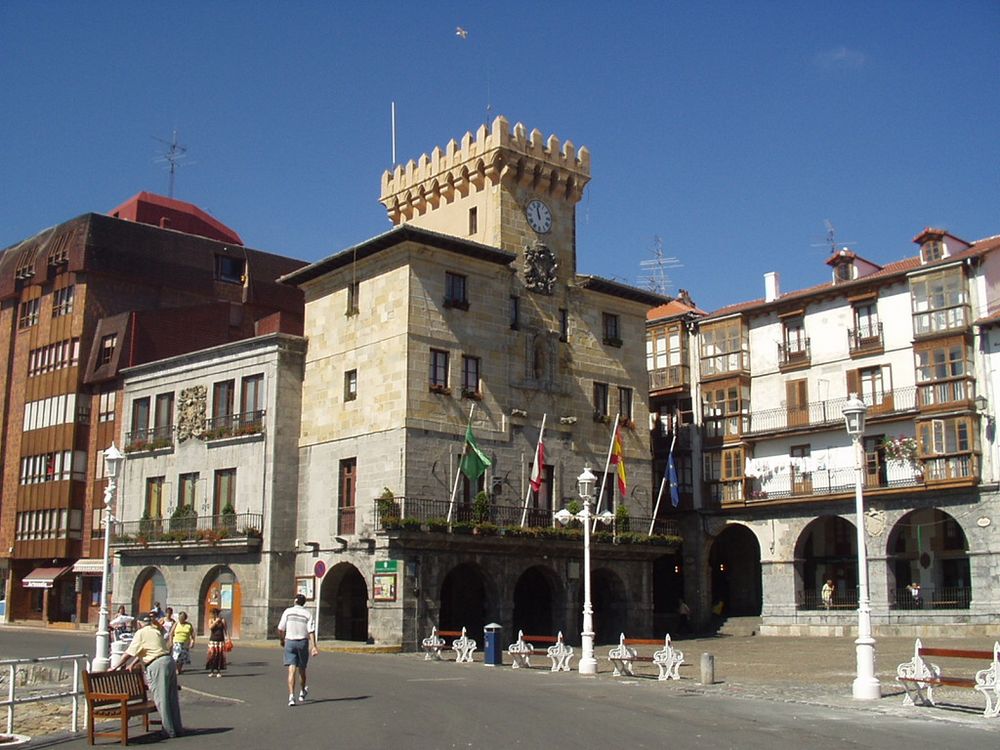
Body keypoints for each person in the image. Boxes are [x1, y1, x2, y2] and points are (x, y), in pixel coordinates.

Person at [115, 613, 183, 738]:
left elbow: (128, 653)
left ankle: (169, 730)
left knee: (161, 697)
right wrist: (133, 663)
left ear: (139, 623)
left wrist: (115, 666)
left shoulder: (140, 633)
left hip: (157, 664)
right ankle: (177, 727)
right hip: (168, 661)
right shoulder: (155, 631)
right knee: (171, 696)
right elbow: (146, 649)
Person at [277, 594, 319, 707]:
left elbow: (280, 628)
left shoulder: (288, 612)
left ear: (295, 601)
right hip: (302, 642)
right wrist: (314, 646)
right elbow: (311, 631)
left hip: (289, 641)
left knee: (291, 670)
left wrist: (282, 640)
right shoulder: (307, 614)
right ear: (304, 603)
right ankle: (302, 691)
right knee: (302, 669)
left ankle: (291, 696)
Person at [205, 608, 229, 677]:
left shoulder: (223, 620)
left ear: (216, 614)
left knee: (219, 656)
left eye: (212, 613)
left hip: (220, 640)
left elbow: (226, 630)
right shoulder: (211, 620)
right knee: (212, 656)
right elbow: (210, 627)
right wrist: (215, 622)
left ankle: (218, 671)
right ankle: (211, 671)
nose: (211, 615)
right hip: (213, 640)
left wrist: (228, 639)